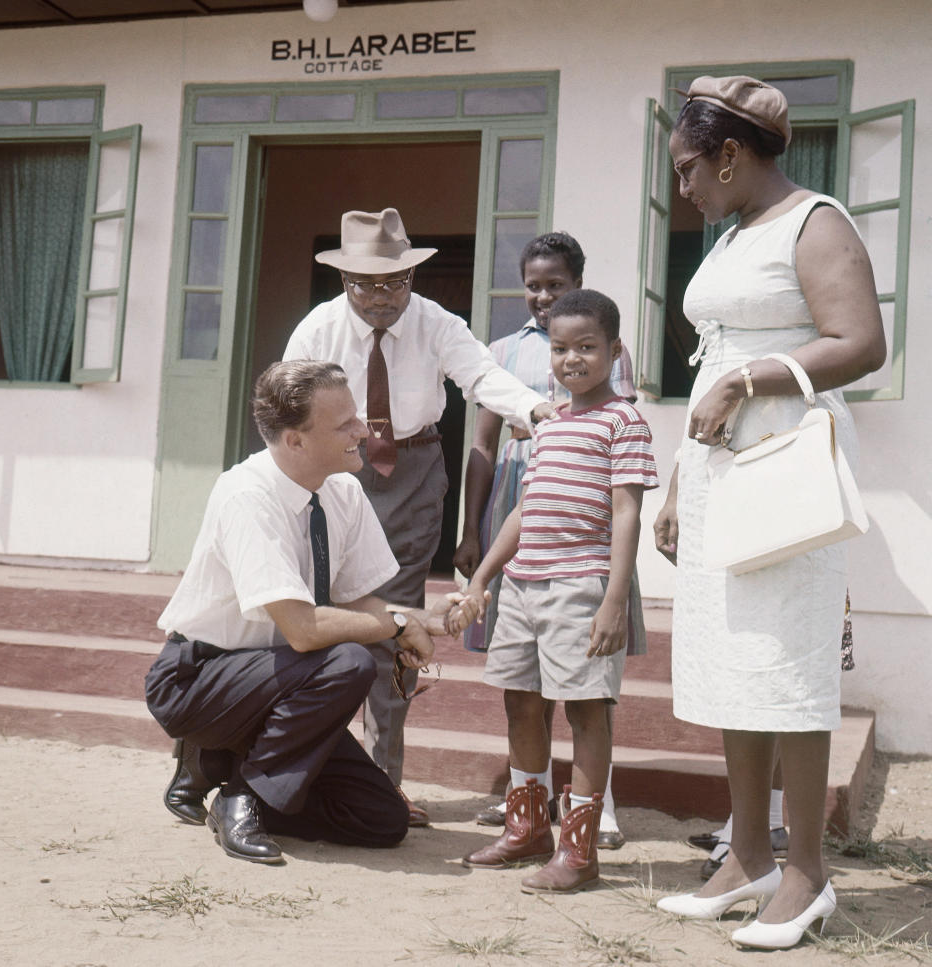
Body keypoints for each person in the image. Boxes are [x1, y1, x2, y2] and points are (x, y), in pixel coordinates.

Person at [652, 76, 885, 949]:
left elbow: (861, 340)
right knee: (732, 662)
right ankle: (746, 851)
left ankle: (806, 873)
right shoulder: (731, 236)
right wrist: (679, 483)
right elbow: (714, 355)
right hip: (720, 467)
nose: (684, 191)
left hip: (786, 461)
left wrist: (755, 379)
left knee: (787, 663)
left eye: (688, 172)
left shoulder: (814, 220)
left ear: (731, 155)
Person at [282, 208, 554, 826]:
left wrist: (538, 412)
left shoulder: (437, 323)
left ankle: (382, 785)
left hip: (411, 476)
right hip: (334, 477)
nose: (381, 296)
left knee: (396, 627)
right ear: (344, 280)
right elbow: (283, 406)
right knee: (315, 620)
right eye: (365, 284)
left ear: (410, 276)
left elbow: (482, 375)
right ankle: (303, 777)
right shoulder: (316, 332)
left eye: (394, 282)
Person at [145, 361, 457, 864]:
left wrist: (417, 619)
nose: (364, 431)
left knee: (381, 820)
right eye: (345, 425)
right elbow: (304, 629)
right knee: (349, 661)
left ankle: (223, 762)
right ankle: (239, 794)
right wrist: (398, 624)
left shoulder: (343, 488)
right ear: (294, 441)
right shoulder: (246, 494)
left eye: (356, 416)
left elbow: (358, 599)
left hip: (280, 687)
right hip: (199, 680)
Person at [450, 289, 659, 893]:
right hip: (521, 586)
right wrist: (485, 577)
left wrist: (614, 600)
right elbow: (523, 509)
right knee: (520, 700)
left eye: (587, 347)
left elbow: (626, 515)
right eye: (561, 348)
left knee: (587, 711)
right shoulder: (548, 423)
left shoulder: (623, 422)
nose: (572, 360)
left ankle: (580, 851)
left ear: (615, 351)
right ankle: (528, 829)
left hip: (581, 586)